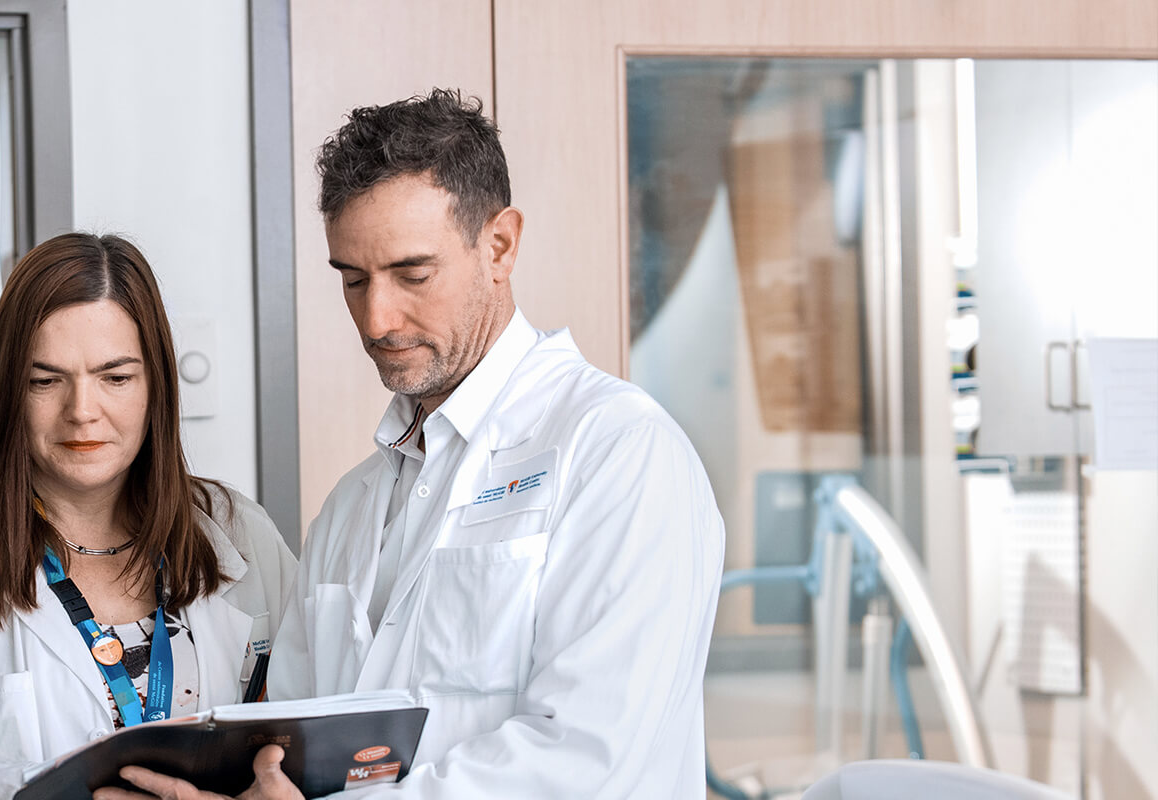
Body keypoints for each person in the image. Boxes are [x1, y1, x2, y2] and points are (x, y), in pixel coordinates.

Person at [101, 90, 725, 799]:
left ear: (500, 245)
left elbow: (587, 758)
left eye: (411, 274)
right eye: (354, 279)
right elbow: (291, 746)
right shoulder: (350, 510)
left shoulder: (618, 453)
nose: (377, 317)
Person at [0, 232, 298, 800]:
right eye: (45, 381)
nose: (82, 412)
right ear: (7, 390)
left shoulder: (239, 531)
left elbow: (319, 729)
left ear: (157, 387)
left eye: (115, 378)